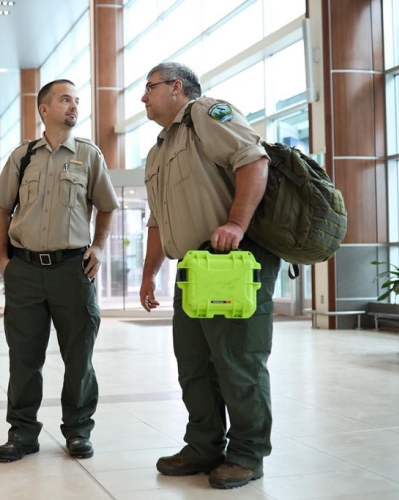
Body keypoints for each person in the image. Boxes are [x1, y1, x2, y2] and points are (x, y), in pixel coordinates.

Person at [138, 62, 280, 489]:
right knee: (194, 364)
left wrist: (236, 223)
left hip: (231, 258)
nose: (144, 98)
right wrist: (149, 275)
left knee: (238, 361)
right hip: (193, 268)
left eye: (150, 88)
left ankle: (247, 454)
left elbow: (253, 159)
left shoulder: (207, 114)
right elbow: (158, 222)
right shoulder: (159, 149)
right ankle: (203, 446)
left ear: (176, 88)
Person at [0, 79, 119, 462]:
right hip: (25, 271)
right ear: (44, 109)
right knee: (24, 357)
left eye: (77, 101)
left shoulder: (89, 155)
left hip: (71, 270)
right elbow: (0, 207)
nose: (74, 106)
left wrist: (97, 246)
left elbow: (107, 206)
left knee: (79, 355)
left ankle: (78, 431)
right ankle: (22, 434)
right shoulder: (22, 156)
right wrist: (3, 260)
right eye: (65, 100)